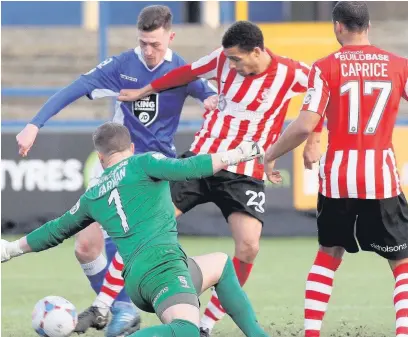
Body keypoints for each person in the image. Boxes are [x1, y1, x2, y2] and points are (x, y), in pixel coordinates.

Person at [15, 5, 216, 336]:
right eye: (143, 43)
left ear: (171, 36)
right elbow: (73, 90)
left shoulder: (182, 71)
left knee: (133, 240)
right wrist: (34, 124)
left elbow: (208, 94)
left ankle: (124, 309)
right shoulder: (123, 65)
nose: (149, 51)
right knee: (85, 246)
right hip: (117, 166)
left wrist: (210, 100)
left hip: (152, 174)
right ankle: (120, 308)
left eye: (156, 44)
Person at [117, 20, 322, 337]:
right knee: (148, 227)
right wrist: (144, 90)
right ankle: (125, 306)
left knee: (249, 246)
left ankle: (206, 323)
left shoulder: (291, 72)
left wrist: (314, 138)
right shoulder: (220, 59)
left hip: (244, 173)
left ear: (257, 51)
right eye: (229, 59)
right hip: (200, 161)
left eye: (238, 59)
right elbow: (183, 74)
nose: (231, 65)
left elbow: (323, 90)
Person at [2, 122, 269, 337]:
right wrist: (239, 153)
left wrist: (10, 249)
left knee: (221, 264)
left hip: (135, 281)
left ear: (100, 157)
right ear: (131, 147)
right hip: (163, 269)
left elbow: (54, 231)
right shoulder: (144, 162)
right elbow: (190, 167)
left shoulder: (92, 195)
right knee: (186, 329)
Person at [263, 2, 408, 336]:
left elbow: (305, 125)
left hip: (338, 178)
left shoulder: (326, 67)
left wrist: (271, 153)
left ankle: (312, 333)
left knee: (328, 254)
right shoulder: (398, 65)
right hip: (380, 178)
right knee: (401, 263)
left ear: (338, 26)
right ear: (368, 26)